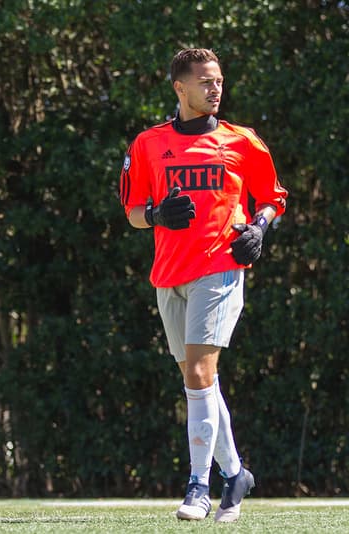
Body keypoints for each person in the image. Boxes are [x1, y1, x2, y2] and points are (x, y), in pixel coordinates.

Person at [118, 48, 288, 522]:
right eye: (205, 82)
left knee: (198, 375)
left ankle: (198, 486)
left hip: (219, 269)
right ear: (180, 88)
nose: (216, 88)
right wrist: (155, 215)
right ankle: (236, 473)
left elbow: (273, 198)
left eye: (219, 81)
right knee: (199, 382)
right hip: (168, 275)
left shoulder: (243, 141)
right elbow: (133, 212)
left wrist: (259, 227)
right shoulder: (148, 144)